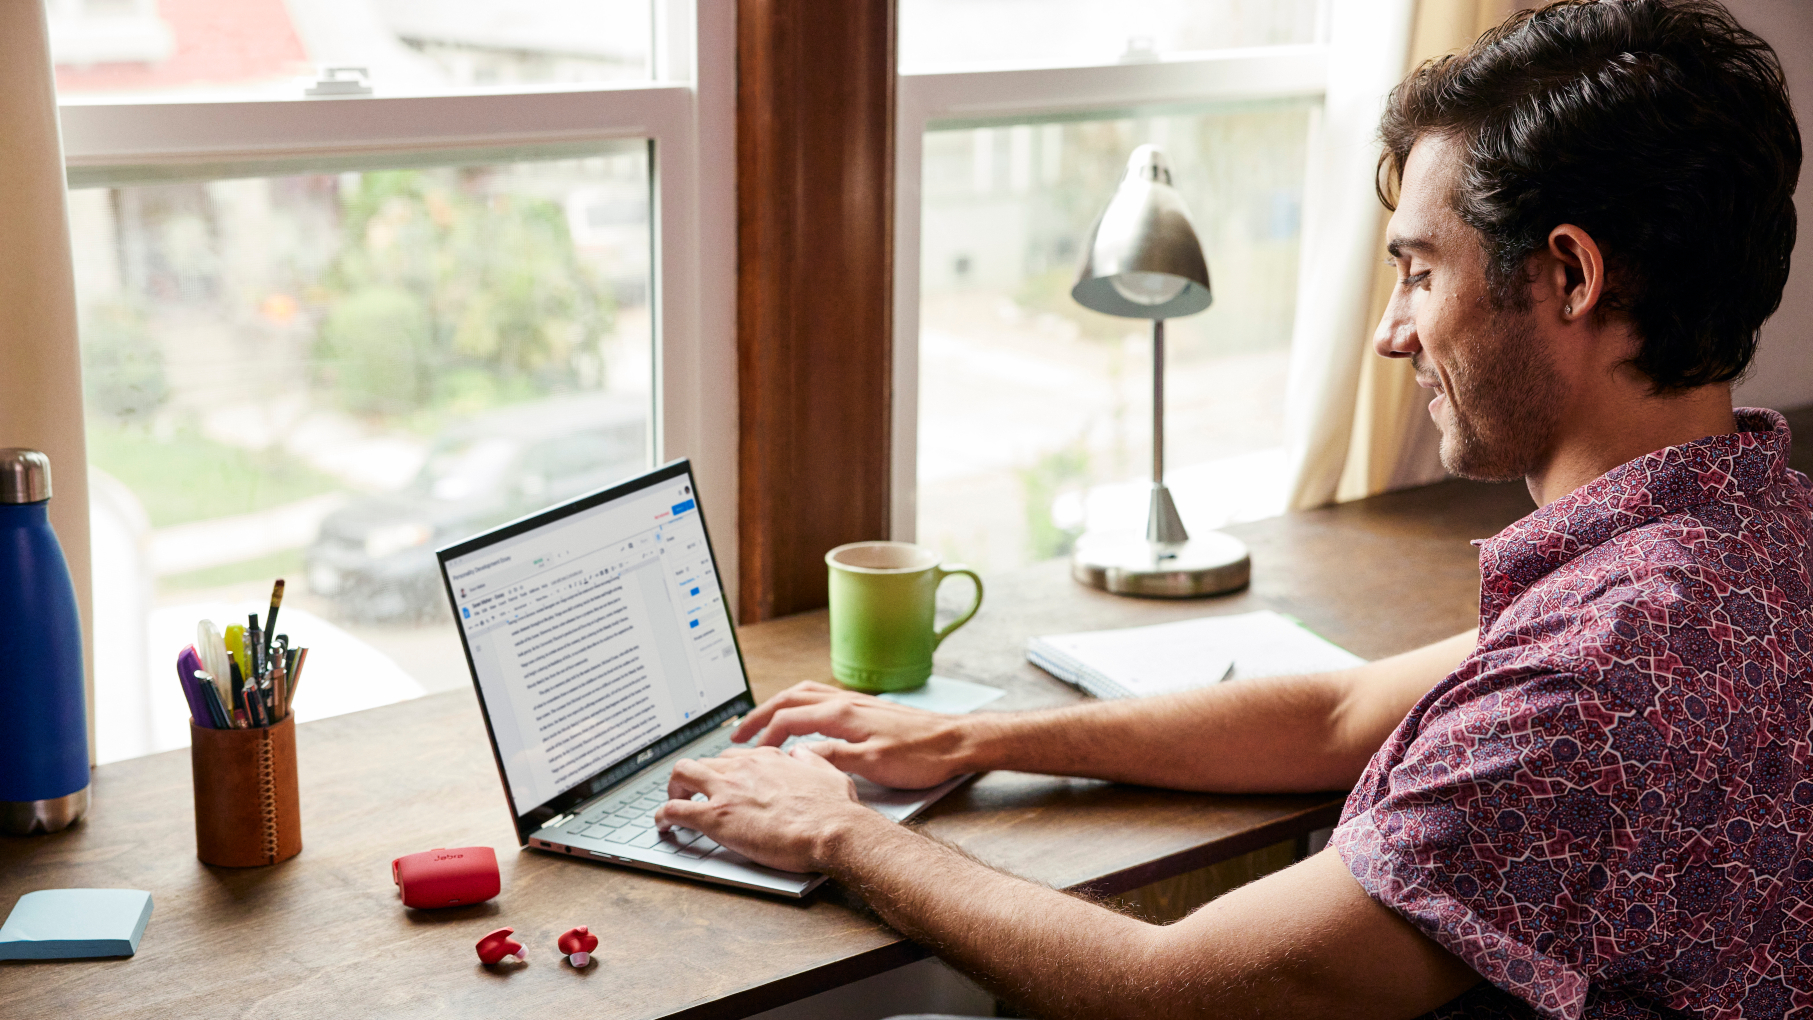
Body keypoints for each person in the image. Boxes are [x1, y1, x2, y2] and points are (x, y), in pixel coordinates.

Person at [656, 2, 1811, 1017]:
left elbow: (1176, 994)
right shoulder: (1747, 531)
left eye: (1420, 270)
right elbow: (1343, 711)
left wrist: (837, 830)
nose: (1391, 329)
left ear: (1570, 274)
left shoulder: (1595, 672)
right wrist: (974, 737)